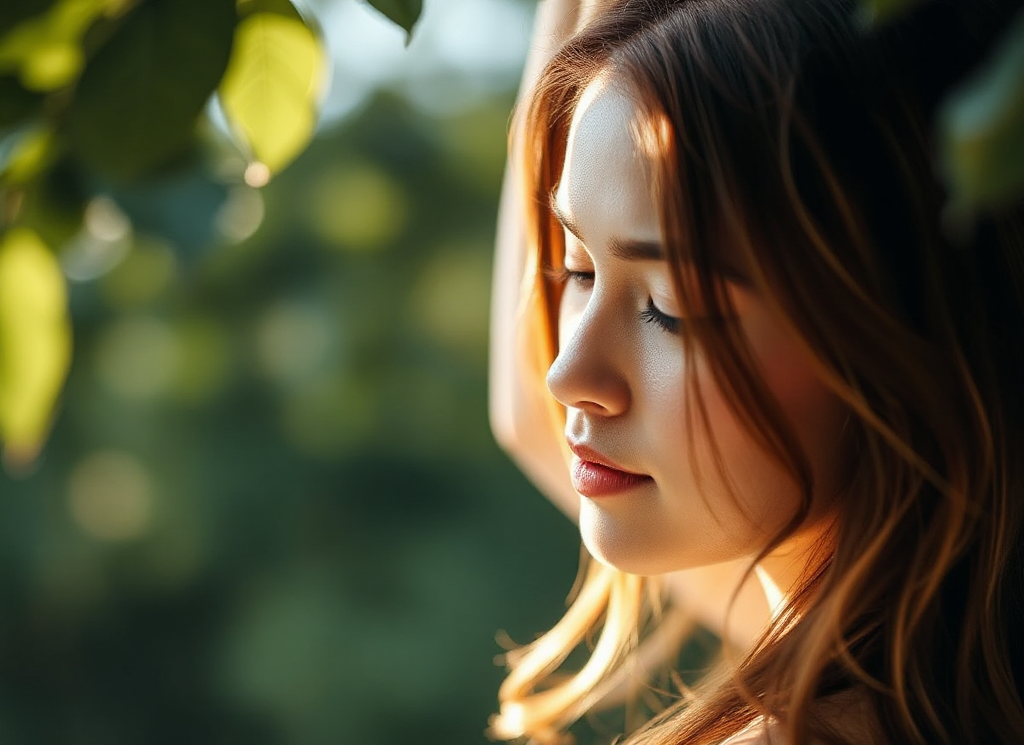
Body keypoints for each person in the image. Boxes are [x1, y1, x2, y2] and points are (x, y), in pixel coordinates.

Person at [487, 0, 1024, 743]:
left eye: (671, 308)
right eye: (577, 267)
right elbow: (527, 418)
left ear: (896, 326)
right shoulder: (953, 662)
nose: (567, 372)